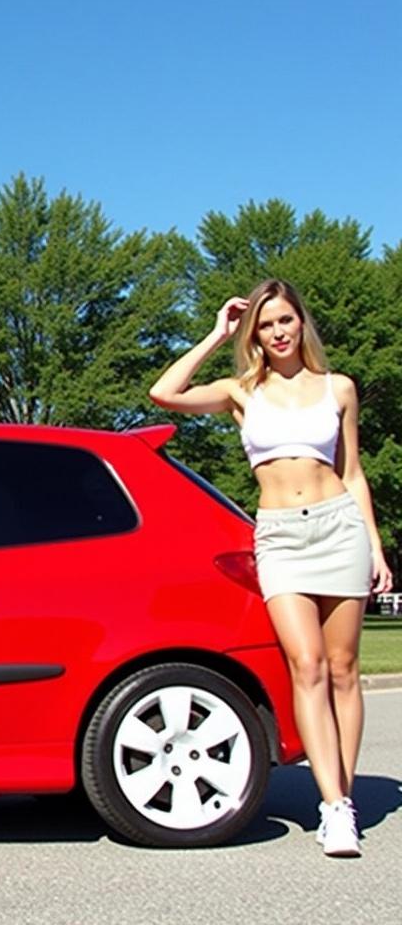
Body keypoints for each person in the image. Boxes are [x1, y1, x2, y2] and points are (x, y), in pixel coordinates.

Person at [149, 278, 392, 857]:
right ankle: (331, 804)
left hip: (340, 527)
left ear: (301, 323)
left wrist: (376, 546)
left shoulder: (338, 389)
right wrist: (216, 333)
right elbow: (164, 393)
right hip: (281, 537)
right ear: (254, 333)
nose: (278, 332)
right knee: (304, 664)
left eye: (285, 320)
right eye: (266, 324)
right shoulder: (241, 391)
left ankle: (344, 798)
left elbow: (352, 472)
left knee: (342, 668)